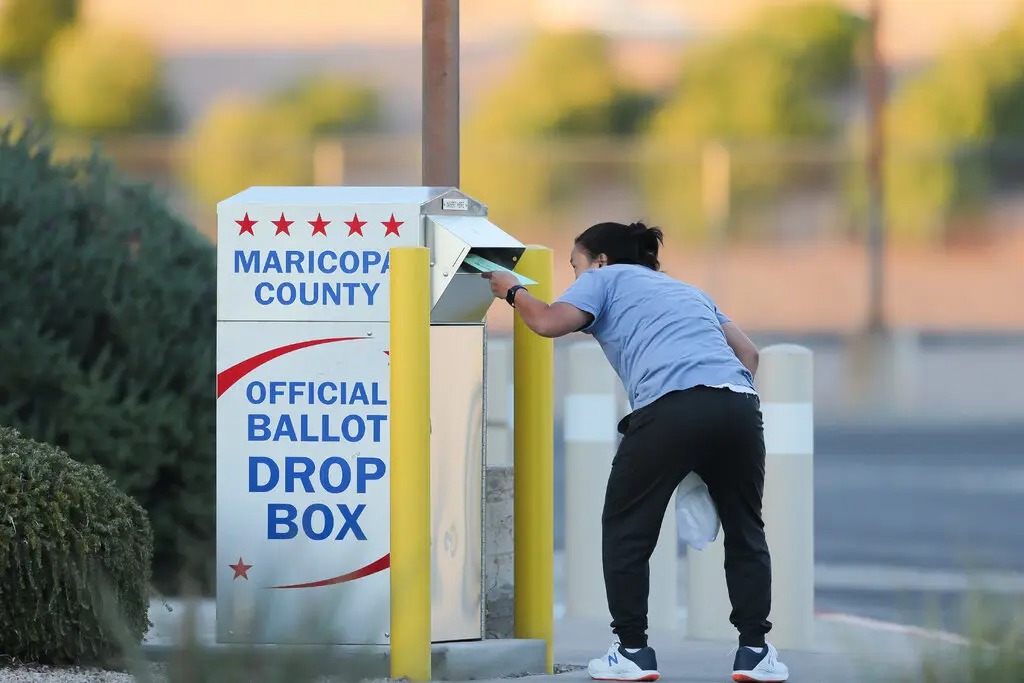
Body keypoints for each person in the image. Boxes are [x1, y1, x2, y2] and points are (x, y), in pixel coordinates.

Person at [483, 221, 789, 683]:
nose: (575, 279)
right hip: (739, 404)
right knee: (745, 529)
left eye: (575, 266)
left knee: (627, 529)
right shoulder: (688, 290)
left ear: (600, 260)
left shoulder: (602, 280)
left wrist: (512, 291)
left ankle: (632, 651)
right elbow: (749, 354)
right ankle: (756, 653)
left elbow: (546, 322)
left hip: (668, 409)